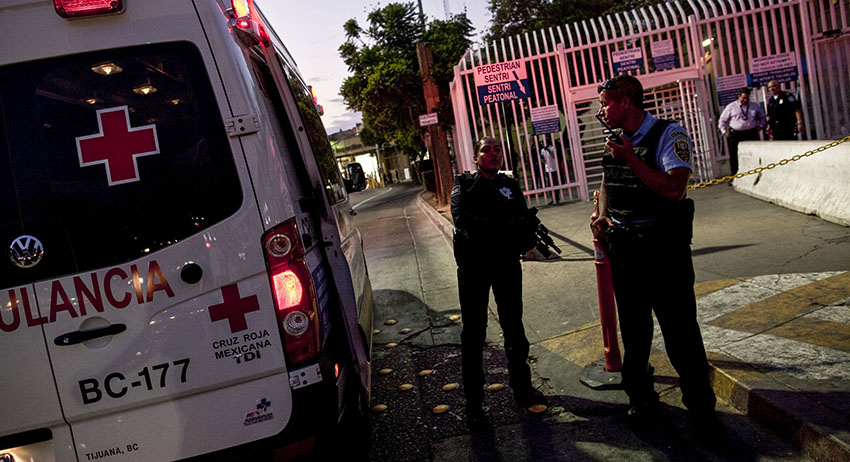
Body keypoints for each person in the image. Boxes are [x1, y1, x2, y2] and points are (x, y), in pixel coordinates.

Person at [590, 75, 717, 429]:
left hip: (662, 252)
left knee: (680, 333)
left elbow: (675, 189)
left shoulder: (668, 135)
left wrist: (632, 159)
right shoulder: (618, 139)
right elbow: (608, 178)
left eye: (605, 104)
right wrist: (602, 215)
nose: (601, 111)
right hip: (625, 251)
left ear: (625, 102)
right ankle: (641, 398)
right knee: (634, 332)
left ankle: (701, 408)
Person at [451, 136, 541, 427]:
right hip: (474, 269)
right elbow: (462, 220)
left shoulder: (509, 184)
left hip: (506, 265)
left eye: (497, 149)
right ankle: (474, 403)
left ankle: (523, 388)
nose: (493, 154)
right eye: (486, 150)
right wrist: (504, 225)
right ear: (476, 157)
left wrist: (521, 231)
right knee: (474, 334)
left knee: (514, 327)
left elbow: (522, 220)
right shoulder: (464, 185)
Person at [717, 88, 765, 174]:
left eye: (747, 98)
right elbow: (722, 121)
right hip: (736, 134)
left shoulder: (754, 105)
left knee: (755, 153)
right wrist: (724, 131)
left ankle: (756, 172)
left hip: (751, 133)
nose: (745, 100)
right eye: (743, 98)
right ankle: (735, 175)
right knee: (734, 155)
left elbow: (762, 117)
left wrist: (761, 125)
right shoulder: (731, 106)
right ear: (739, 97)